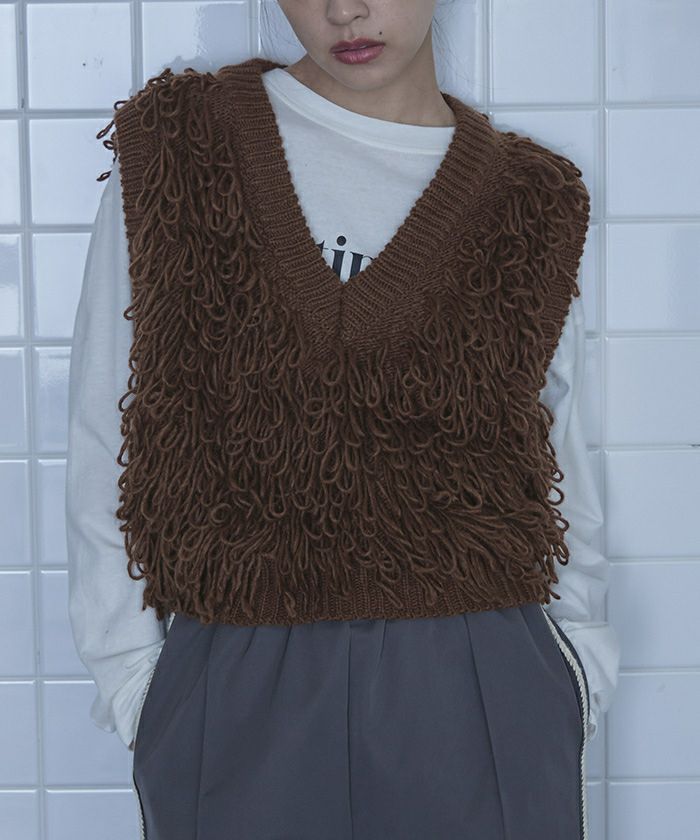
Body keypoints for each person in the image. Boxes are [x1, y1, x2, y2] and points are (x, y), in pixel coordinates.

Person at [66, 1, 620, 838]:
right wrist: (141, 686)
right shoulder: (182, 148)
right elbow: (104, 428)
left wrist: (576, 666)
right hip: (238, 676)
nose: (344, 9)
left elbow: (556, 447)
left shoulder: (529, 200)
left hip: (480, 672)